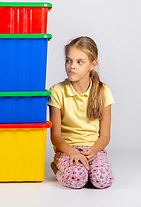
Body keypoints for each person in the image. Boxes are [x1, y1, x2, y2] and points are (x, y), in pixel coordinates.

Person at [48, 36, 114, 189]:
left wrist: (93, 151)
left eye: (80, 62)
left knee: (101, 180)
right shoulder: (57, 91)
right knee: (76, 179)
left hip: (93, 149)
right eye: (68, 60)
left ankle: (89, 170)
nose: (72, 66)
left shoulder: (103, 92)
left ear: (93, 64)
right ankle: (58, 166)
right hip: (67, 149)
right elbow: (56, 136)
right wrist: (72, 152)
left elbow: (105, 135)